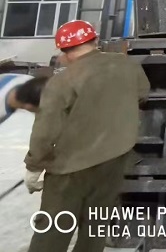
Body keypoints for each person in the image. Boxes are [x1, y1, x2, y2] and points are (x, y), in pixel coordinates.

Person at [25, 20, 150, 252]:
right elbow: (142, 94)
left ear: (64, 51)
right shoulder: (128, 66)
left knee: (53, 230)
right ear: (95, 40)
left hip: (69, 168)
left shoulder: (63, 81)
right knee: (95, 228)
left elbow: (45, 129)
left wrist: (34, 166)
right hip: (114, 160)